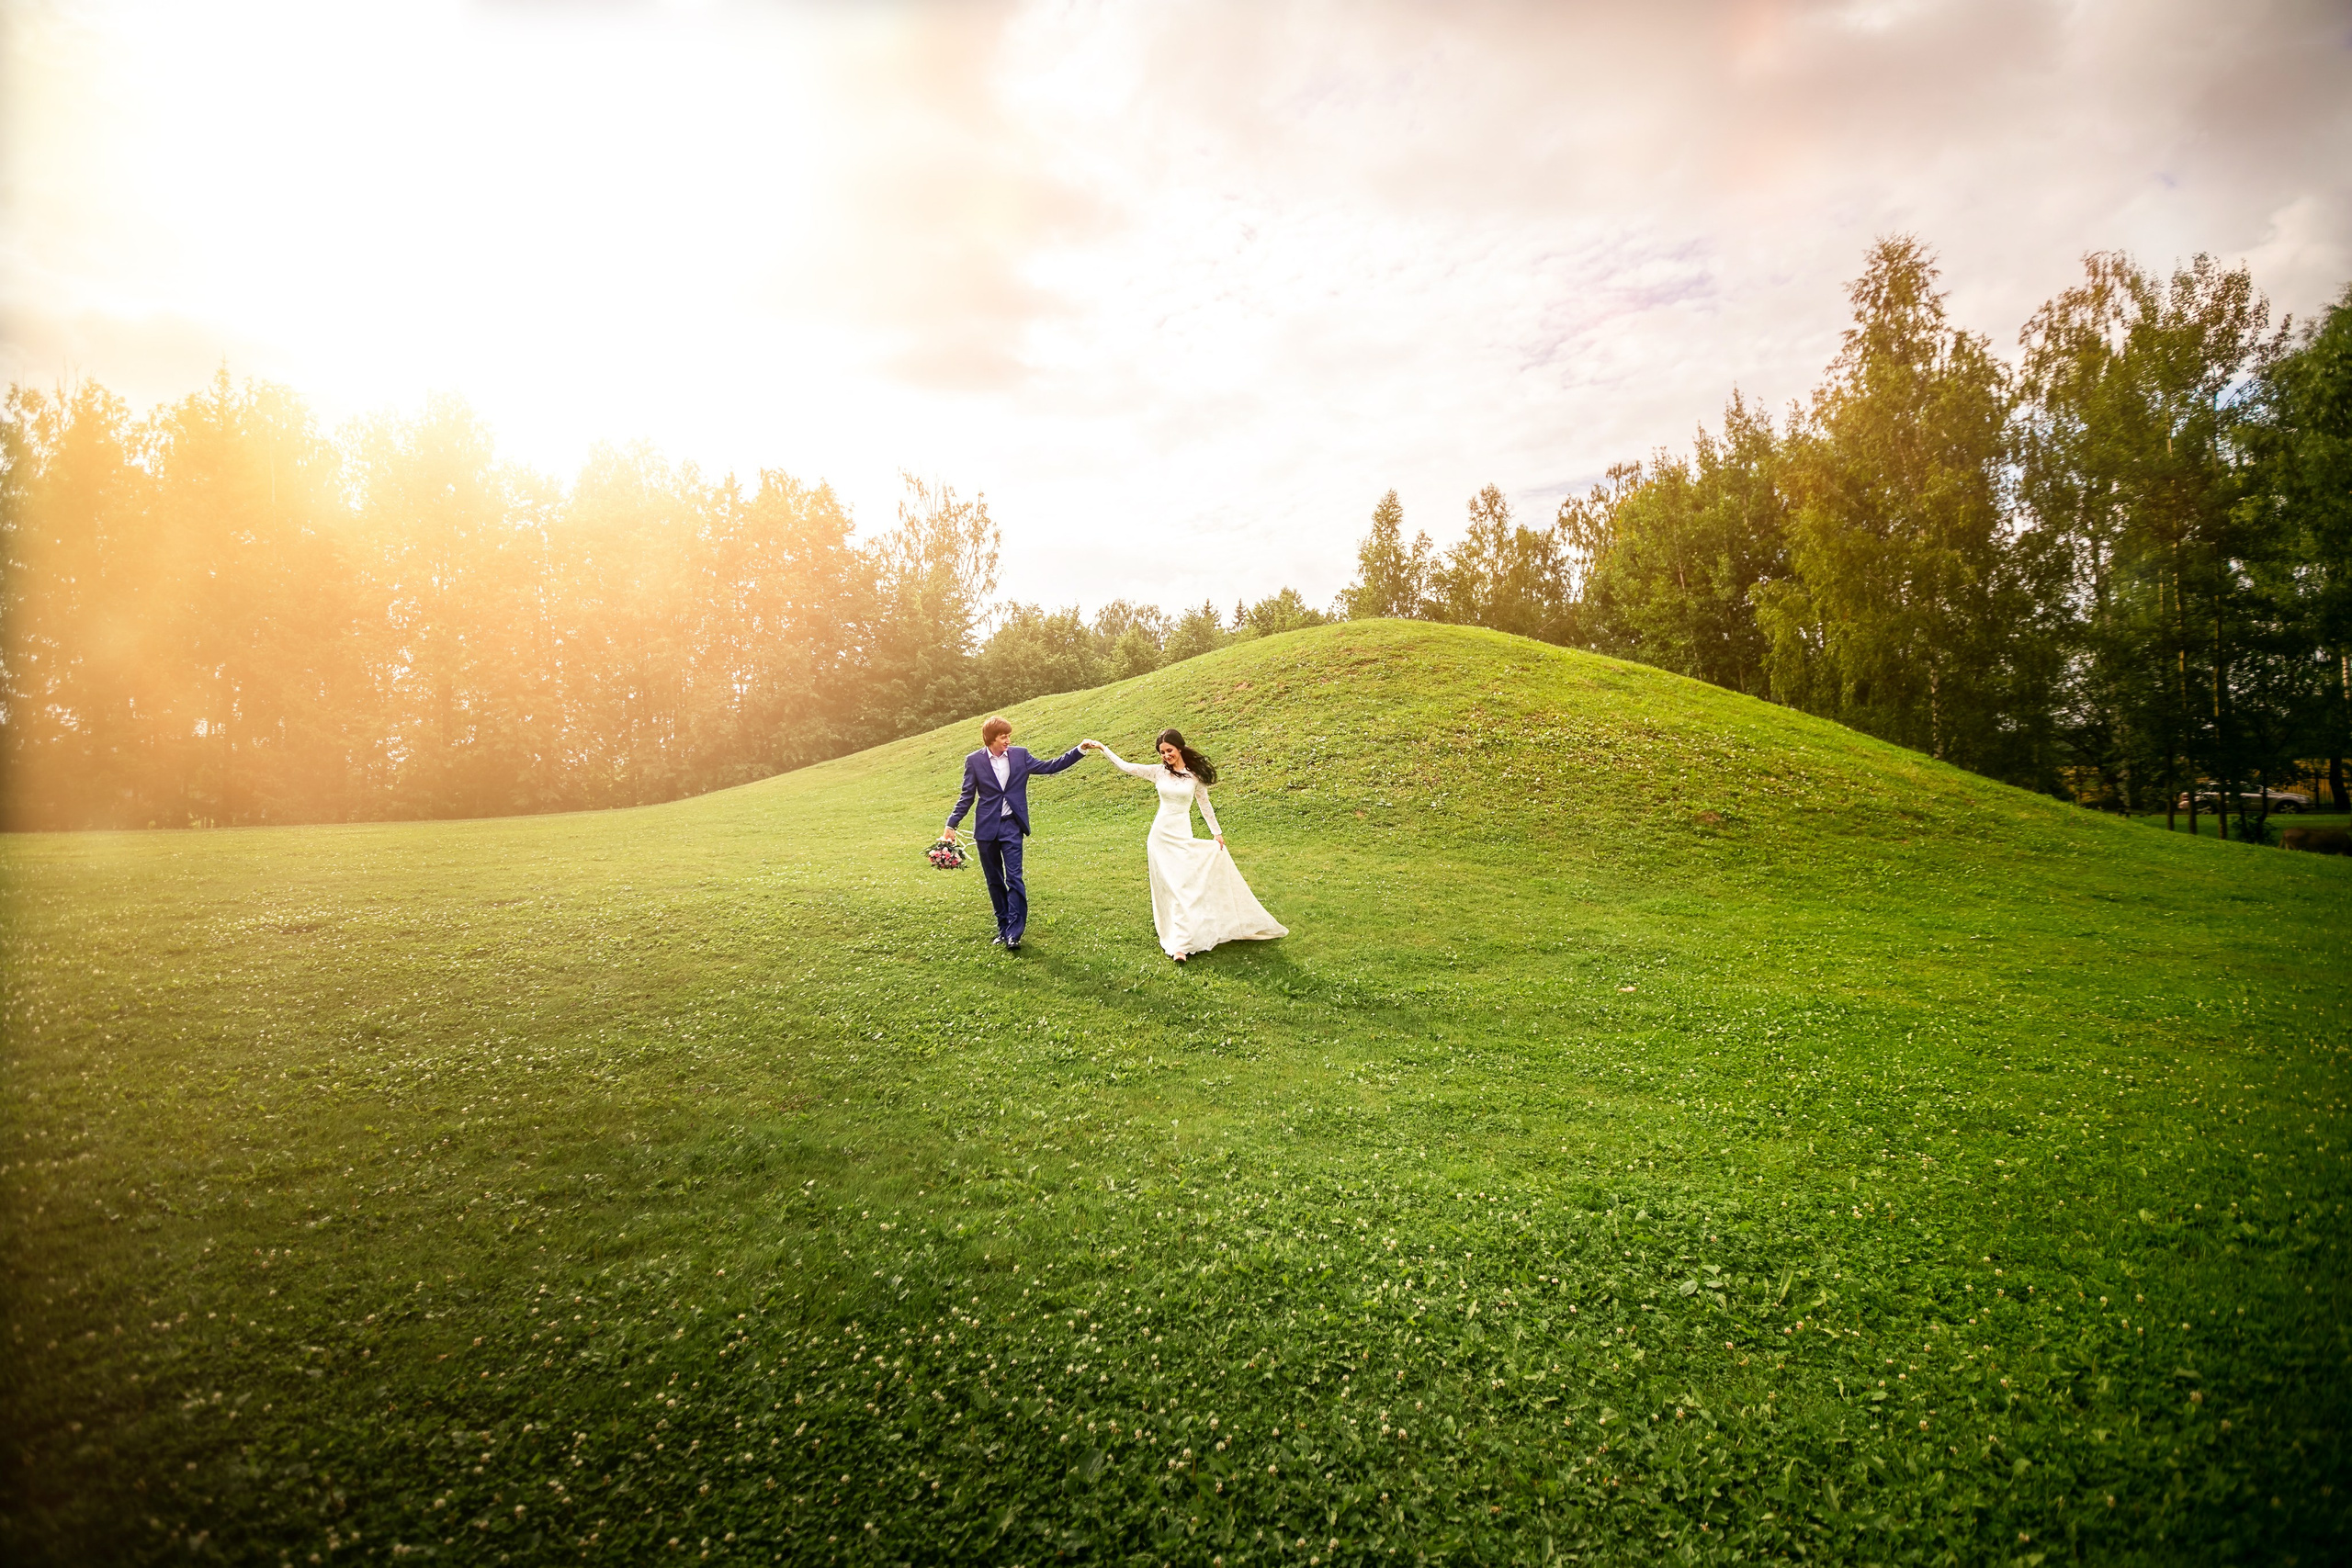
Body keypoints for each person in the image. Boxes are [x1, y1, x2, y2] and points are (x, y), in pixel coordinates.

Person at [1080, 728, 1286, 963]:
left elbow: (1205, 805)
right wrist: (1102, 748)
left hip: (1182, 834)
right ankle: (1180, 945)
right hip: (1160, 836)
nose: (1166, 756)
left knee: (1185, 886)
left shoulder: (1194, 776)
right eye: (1162, 752)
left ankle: (1188, 935)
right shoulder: (1158, 772)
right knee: (1173, 888)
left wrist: (1216, 833)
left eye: (1169, 750)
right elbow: (1126, 766)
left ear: (1179, 748)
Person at [943, 715, 1091, 950]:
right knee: (994, 881)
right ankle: (1002, 928)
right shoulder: (974, 761)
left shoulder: (1021, 755)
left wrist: (1079, 750)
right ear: (991, 739)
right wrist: (951, 825)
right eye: (1004, 737)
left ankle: (1014, 932)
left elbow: (1050, 766)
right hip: (986, 829)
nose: (1008, 740)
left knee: (1014, 878)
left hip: (1012, 826)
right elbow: (967, 796)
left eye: (1009, 736)